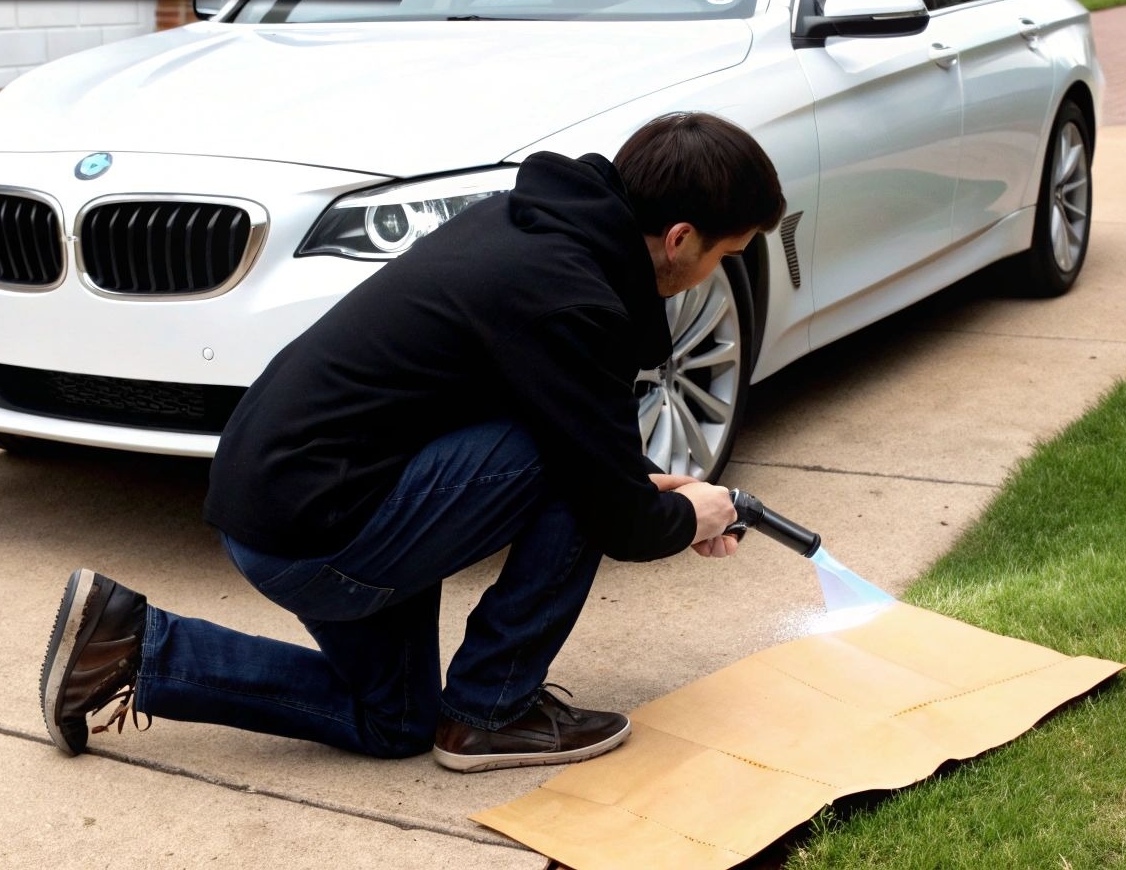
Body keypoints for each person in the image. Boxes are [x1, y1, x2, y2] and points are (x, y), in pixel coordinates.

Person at [39, 112, 786, 772]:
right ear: (681, 238)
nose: (716, 272)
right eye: (726, 254)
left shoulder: (529, 226)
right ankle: (494, 710)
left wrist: (654, 487)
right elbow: (611, 511)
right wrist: (696, 516)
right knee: (571, 476)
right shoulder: (571, 298)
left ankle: (128, 642)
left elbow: (583, 440)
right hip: (321, 531)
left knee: (393, 720)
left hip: (288, 495)